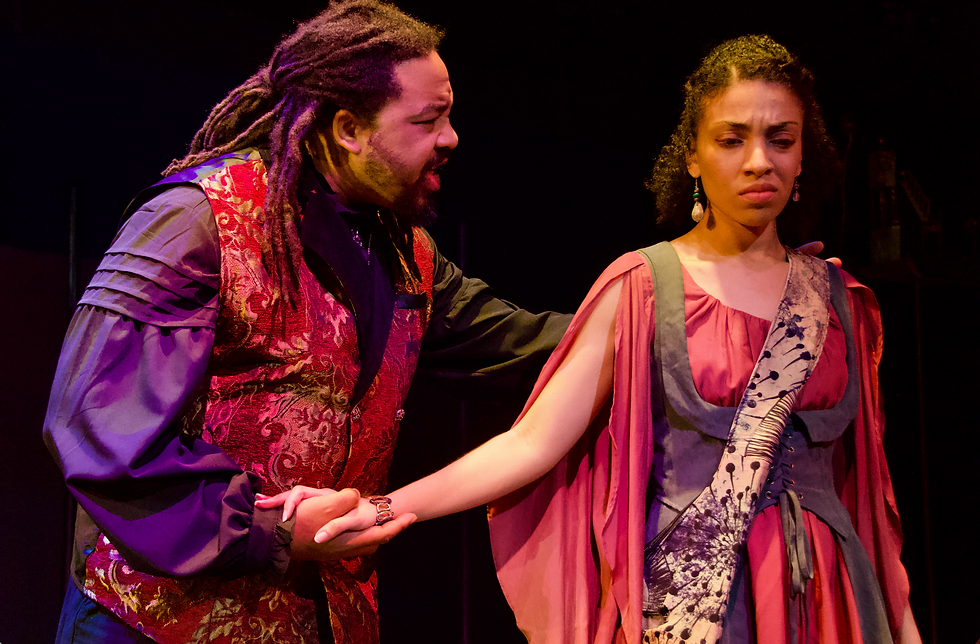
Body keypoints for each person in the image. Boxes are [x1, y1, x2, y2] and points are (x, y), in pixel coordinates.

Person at [269, 35, 922, 643]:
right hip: (701, 599)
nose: (760, 161)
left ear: (804, 151)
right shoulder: (643, 287)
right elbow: (532, 441)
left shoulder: (841, 301)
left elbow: (867, 498)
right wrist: (386, 509)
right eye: (732, 139)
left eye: (781, 139)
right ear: (693, 152)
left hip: (831, 595)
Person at [42, 2, 571, 643]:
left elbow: (523, 345)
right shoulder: (197, 222)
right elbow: (98, 427)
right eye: (428, 120)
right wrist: (272, 532)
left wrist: (662, 311)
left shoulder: (405, 256)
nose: (451, 138)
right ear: (349, 127)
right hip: (157, 624)